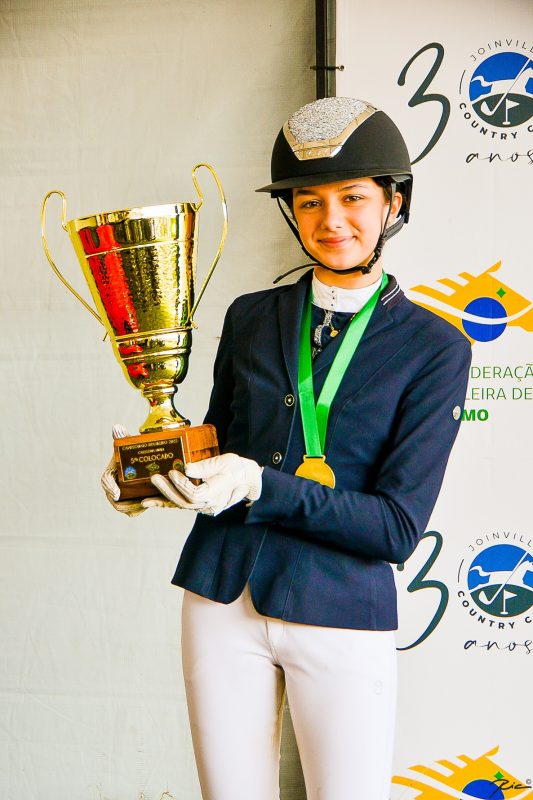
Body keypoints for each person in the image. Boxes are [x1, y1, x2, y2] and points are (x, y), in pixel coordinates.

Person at [102, 97, 471, 800]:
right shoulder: (250, 317)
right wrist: (147, 476)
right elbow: (216, 445)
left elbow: (395, 528)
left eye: (352, 198)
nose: (330, 221)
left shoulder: (434, 347)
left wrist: (257, 486)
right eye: (308, 202)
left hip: (340, 605)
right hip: (220, 596)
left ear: (393, 203)